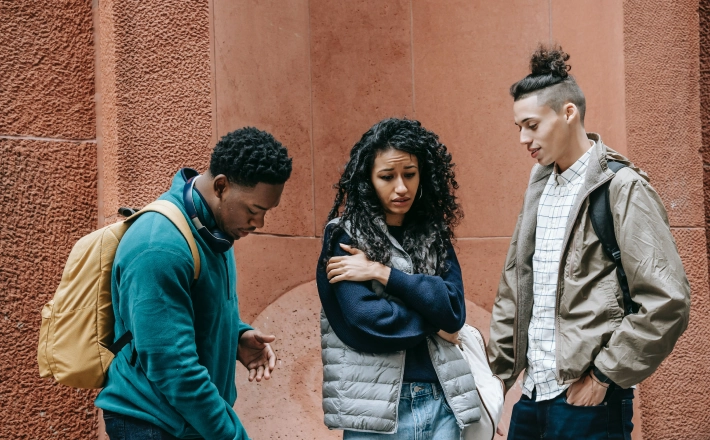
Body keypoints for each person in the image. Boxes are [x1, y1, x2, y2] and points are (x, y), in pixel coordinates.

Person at [487, 45, 691, 440]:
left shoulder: (622, 187)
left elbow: (668, 300)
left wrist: (604, 377)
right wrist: (498, 382)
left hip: (586, 399)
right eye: (519, 128)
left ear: (568, 113)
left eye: (531, 125)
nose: (523, 139)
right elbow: (515, 287)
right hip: (531, 396)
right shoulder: (540, 187)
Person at [95, 127, 292, 439]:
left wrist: (235, 334)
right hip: (153, 425)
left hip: (186, 421)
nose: (259, 223)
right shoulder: (160, 247)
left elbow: (190, 310)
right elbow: (175, 370)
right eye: (255, 210)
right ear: (221, 186)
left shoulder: (213, 227)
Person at [316, 118, 481, 439]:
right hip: (376, 410)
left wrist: (383, 273)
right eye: (387, 177)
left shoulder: (434, 235)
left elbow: (453, 311)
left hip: (443, 400)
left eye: (409, 174)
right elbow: (368, 321)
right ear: (368, 179)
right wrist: (436, 325)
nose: (401, 187)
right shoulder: (344, 235)